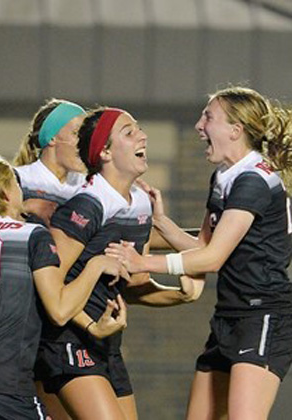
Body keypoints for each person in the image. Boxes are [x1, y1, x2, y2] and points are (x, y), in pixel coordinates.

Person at [105, 87, 292, 419]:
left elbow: (212, 260)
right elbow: (203, 247)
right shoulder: (224, 176)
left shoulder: (253, 181)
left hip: (263, 316)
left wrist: (143, 262)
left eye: (208, 117)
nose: (198, 125)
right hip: (229, 316)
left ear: (236, 130)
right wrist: (163, 222)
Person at [0, 154, 128, 420]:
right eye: (16, 185)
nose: (21, 190)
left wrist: (91, 327)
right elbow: (59, 309)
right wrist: (96, 265)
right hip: (2, 385)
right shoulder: (32, 235)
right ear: (5, 194)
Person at [35, 107, 203, 420]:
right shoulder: (87, 205)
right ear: (106, 152)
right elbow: (51, 298)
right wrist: (96, 269)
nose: (143, 136)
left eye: (139, 129)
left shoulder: (140, 202)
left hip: (108, 345)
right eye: (129, 132)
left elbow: (133, 288)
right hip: (67, 343)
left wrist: (179, 294)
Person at [13, 99, 87, 225]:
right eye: (76, 133)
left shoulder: (89, 187)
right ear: (51, 138)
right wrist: (24, 208)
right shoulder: (17, 180)